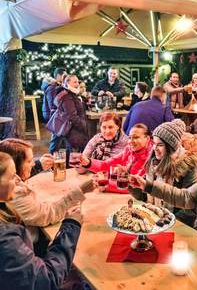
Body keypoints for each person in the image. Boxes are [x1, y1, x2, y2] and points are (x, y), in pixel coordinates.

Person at [0, 152, 84, 289]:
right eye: (11, 176)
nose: (17, 180)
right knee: (79, 280)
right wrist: (71, 226)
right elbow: (46, 281)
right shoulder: (5, 238)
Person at [0, 138, 96, 227]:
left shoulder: (8, 181)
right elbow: (49, 215)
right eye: (29, 161)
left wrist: (39, 165)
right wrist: (80, 191)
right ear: (14, 165)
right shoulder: (16, 192)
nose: (33, 163)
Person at [130, 119, 197, 227]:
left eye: (160, 145)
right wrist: (131, 185)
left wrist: (164, 223)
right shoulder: (154, 164)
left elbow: (191, 211)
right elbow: (145, 197)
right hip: (156, 222)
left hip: (176, 227)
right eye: (154, 144)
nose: (155, 148)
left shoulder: (188, 169)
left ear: (171, 147)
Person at [79, 123, 153, 178]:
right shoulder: (128, 149)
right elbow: (106, 165)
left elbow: (135, 186)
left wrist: (104, 183)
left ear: (148, 138)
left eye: (136, 137)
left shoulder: (151, 157)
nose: (130, 141)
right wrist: (88, 162)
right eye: (130, 137)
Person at [48, 74, 89, 153]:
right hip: (72, 129)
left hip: (73, 128)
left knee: (69, 151)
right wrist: (83, 125)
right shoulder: (67, 96)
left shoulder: (74, 94)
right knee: (72, 154)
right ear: (67, 83)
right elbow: (72, 116)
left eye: (77, 82)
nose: (77, 84)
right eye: (74, 82)